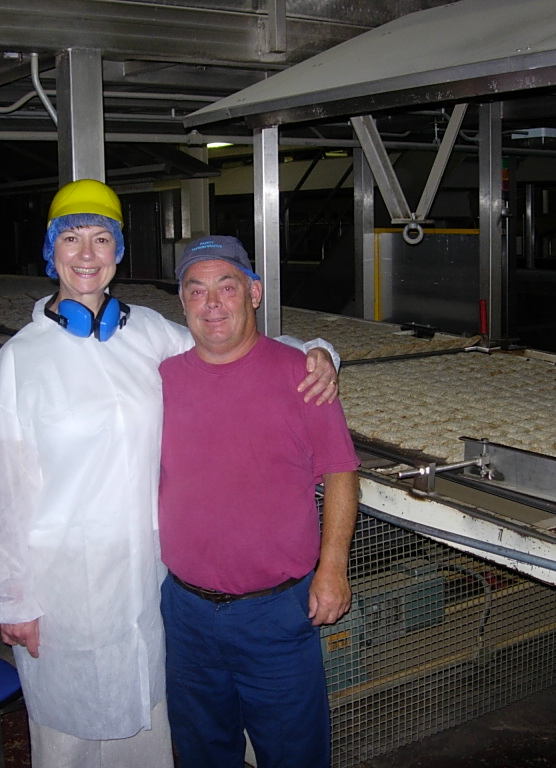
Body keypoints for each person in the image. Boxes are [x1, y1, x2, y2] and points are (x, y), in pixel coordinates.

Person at [0, 181, 339, 768]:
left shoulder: (145, 332)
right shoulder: (24, 357)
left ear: (118, 253)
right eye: (71, 239)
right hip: (62, 584)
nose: (87, 253)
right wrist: (13, 598)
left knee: (146, 731)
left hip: (146, 580)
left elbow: (236, 347)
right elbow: (3, 488)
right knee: (68, 741)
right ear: (52, 253)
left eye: (101, 239)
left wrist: (319, 352)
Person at [158, 235, 361, 768]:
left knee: (294, 754)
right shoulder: (161, 380)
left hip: (276, 614)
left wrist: (333, 569)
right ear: (182, 303)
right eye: (196, 291)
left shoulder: (302, 375)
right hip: (186, 613)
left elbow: (341, 470)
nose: (212, 304)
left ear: (254, 292)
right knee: (202, 753)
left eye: (226, 287)